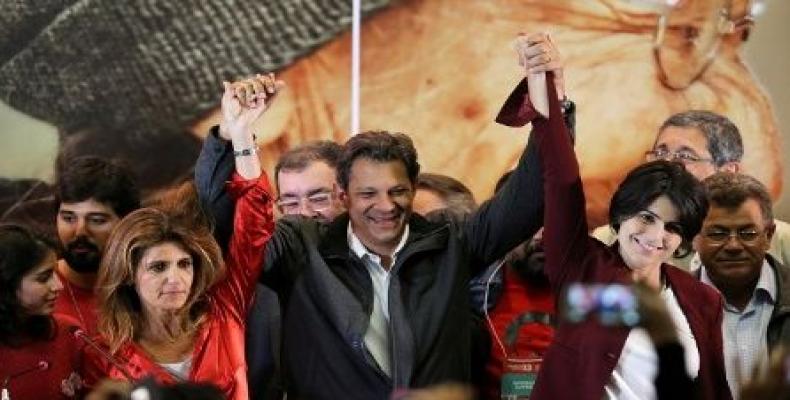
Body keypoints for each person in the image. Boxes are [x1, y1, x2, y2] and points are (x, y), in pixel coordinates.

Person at [195, 64, 551, 398]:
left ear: (413, 188)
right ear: (344, 195)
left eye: (397, 191)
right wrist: (231, 136)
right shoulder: (301, 246)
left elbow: (527, 201)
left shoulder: (450, 241)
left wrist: (550, 105)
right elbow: (227, 235)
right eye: (368, 193)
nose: (385, 206)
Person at [496, 33, 730, 399]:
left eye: (672, 228)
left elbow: (714, 389)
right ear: (621, 215)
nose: (656, 236)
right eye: (646, 218)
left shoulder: (701, 300)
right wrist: (551, 95)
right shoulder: (583, 269)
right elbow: (562, 178)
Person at [81, 74, 278, 400]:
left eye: (184, 264)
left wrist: (241, 133)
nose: (176, 278)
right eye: (158, 267)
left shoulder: (224, 309)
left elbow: (254, 221)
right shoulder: (103, 353)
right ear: (128, 275)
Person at [592, 110, 790, 270]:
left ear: (728, 172)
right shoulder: (613, 237)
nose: (667, 164)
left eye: (685, 156)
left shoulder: (779, 241)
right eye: (660, 152)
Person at [694, 172, 790, 396]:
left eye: (747, 233)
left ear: (768, 235)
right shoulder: (672, 306)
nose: (733, 245)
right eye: (718, 233)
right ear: (695, 238)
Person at [53, 156, 141, 334]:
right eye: (68, 218)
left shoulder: (146, 288)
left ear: (127, 223)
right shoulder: (30, 293)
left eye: (97, 220)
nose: (79, 232)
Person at [0, 224, 84, 399]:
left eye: (55, 274)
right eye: (44, 278)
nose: (59, 286)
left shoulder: (68, 332)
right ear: (7, 283)